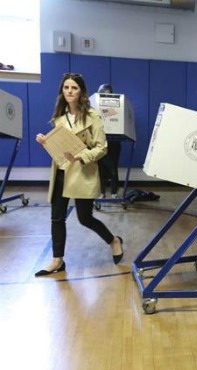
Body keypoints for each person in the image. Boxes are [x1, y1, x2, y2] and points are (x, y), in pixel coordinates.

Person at [34, 73, 124, 277]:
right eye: (66, 88)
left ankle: (114, 241)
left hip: (82, 171)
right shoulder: (59, 117)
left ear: (81, 91)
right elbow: (60, 147)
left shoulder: (93, 116)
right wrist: (45, 142)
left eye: (74, 88)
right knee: (56, 217)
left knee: (85, 218)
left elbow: (102, 148)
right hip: (60, 171)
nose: (69, 91)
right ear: (62, 91)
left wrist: (80, 156)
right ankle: (57, 260)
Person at [96, 83, 122, 198]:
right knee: (100, 168)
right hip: (100, 141)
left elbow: (114, 115)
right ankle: (102, 193)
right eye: (102, 94)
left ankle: (114, 193)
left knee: (113, 168)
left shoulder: (117, 107)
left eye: (107, 94)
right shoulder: (94, 108)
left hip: (113, 142)